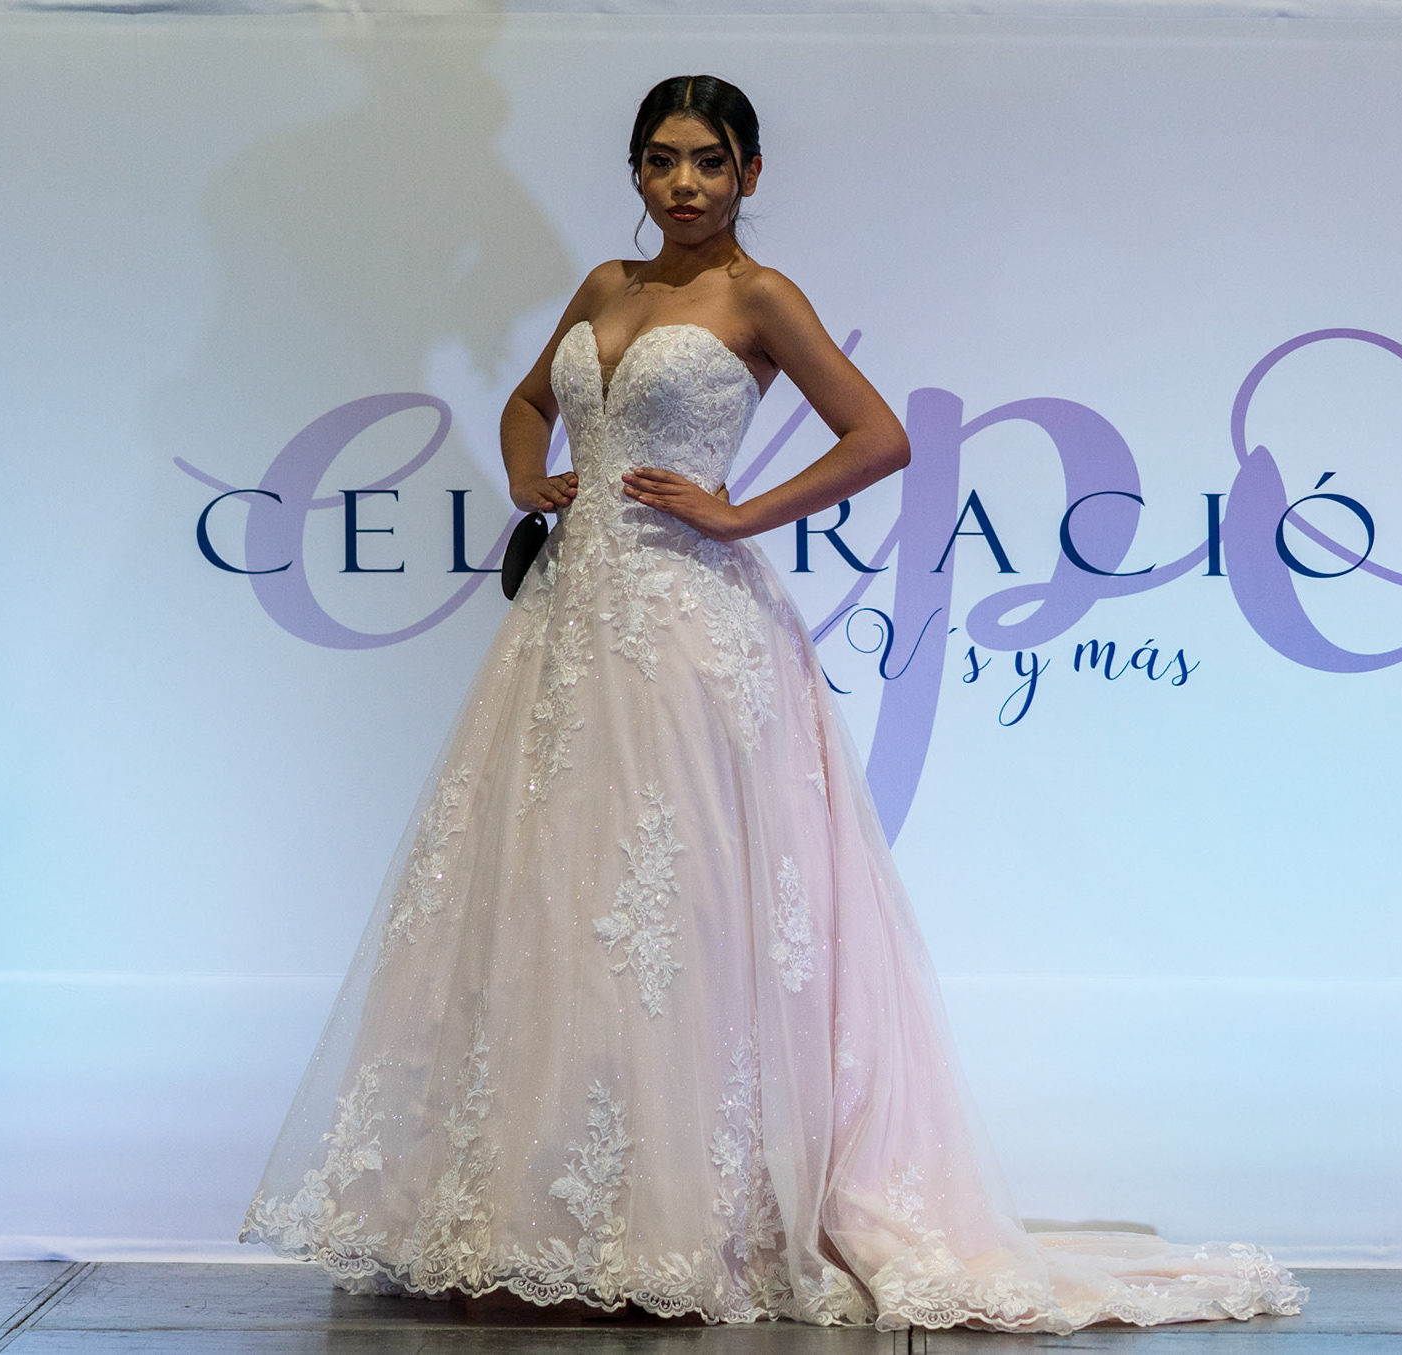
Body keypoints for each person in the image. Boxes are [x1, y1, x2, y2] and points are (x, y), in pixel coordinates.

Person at [241, 74, 1306, 1332]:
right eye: (660, 159)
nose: (683, 182)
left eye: (708, 159)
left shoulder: (760, 297)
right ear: (636, 172)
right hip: (569, 624)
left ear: (751, 172)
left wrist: (739, 511)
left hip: (690, 628)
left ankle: (688, 1218)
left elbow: (880, 436)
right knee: (552, 901)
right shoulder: (604, 286)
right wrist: (533, 480)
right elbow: (530, 400)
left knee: (677, 909)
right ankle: (533, 1215)